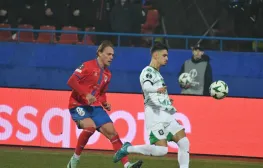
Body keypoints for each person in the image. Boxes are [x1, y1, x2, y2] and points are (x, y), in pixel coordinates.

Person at [66, 40, 143, 168]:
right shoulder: (87, 66)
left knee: (113, 133)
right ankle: (74, 160)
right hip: (78, 105)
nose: (111, 57)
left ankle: (127, 165)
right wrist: (85, 94)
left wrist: (104, 102)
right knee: (90, 127)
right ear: (99, 53)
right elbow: (72, 81)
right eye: (108, 54)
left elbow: (101, 93)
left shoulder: (108, 74)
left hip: (94, 107)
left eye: (113, 55)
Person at [113, 42, 190, 168]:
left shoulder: (158, 74)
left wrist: (166, 100)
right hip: (155, 116)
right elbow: (147, 87)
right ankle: (128, 149)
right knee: (162, 151)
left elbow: (155, 94)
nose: (167, 58)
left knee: (184, 142)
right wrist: (157, 90)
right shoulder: (147, 71)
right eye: (164, 55)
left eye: (167, 56)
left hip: (166, 114)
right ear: (155, 55)